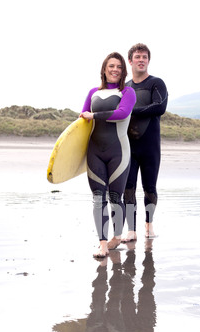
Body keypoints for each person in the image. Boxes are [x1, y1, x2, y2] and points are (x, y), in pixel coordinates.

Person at [80, 52, 136, 258]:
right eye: (111, 66)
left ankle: (117, 236)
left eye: (119, 67)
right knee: (97, 198)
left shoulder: (127, 92)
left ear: (123, 71)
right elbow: (83, 120)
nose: (115, 70)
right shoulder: (93, 92)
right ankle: (102, 243)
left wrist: (94, 115)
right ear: (104, 69)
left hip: (118, 152)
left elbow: (121, 113)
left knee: (115, 197)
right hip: (94, 151)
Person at [121, 43, 168, 242]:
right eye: (138, 57)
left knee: (150, 187)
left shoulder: (156, 83)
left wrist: (131, 111)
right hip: (129, 147)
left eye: (145, 57)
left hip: (150, 147)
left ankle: (149, 225)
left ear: (148, 61)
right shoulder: (126, 88)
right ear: (130, 61)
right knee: (128, 187)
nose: (141, 60)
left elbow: (159, 107)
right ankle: (131, 229)